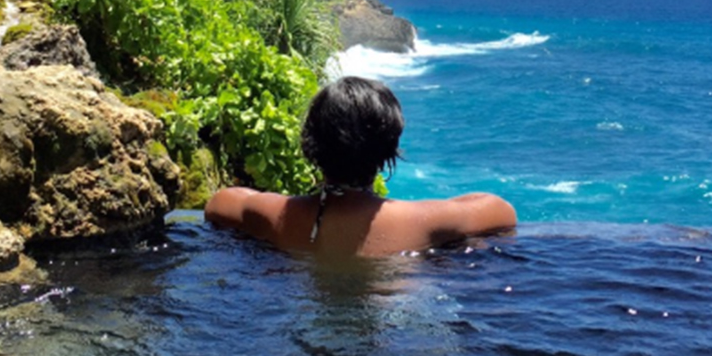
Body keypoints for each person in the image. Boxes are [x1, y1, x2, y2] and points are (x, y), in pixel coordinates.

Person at [205, 76, 517, 257]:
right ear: (388, 150)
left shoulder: (275, 216)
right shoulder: (423, 221)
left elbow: (220, 202)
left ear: (311, 146)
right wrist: (446, 206)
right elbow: (501, 210)